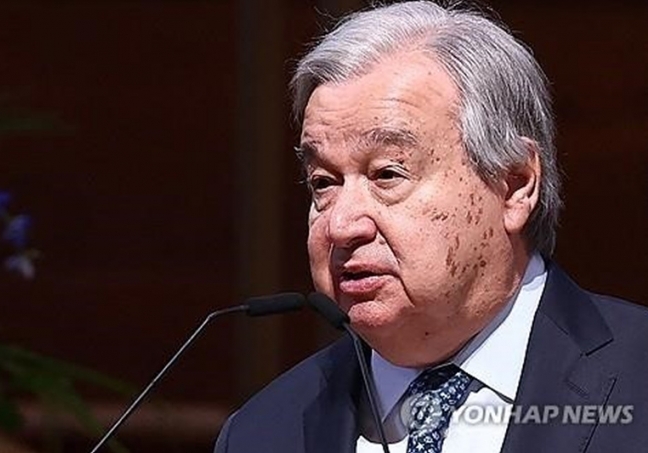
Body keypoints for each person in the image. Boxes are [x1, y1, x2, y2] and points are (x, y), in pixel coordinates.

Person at [214, 2, 648, 452]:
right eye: (323, 183)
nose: (341, 226)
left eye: (387, 174)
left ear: (515, 185)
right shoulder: (261, 433)